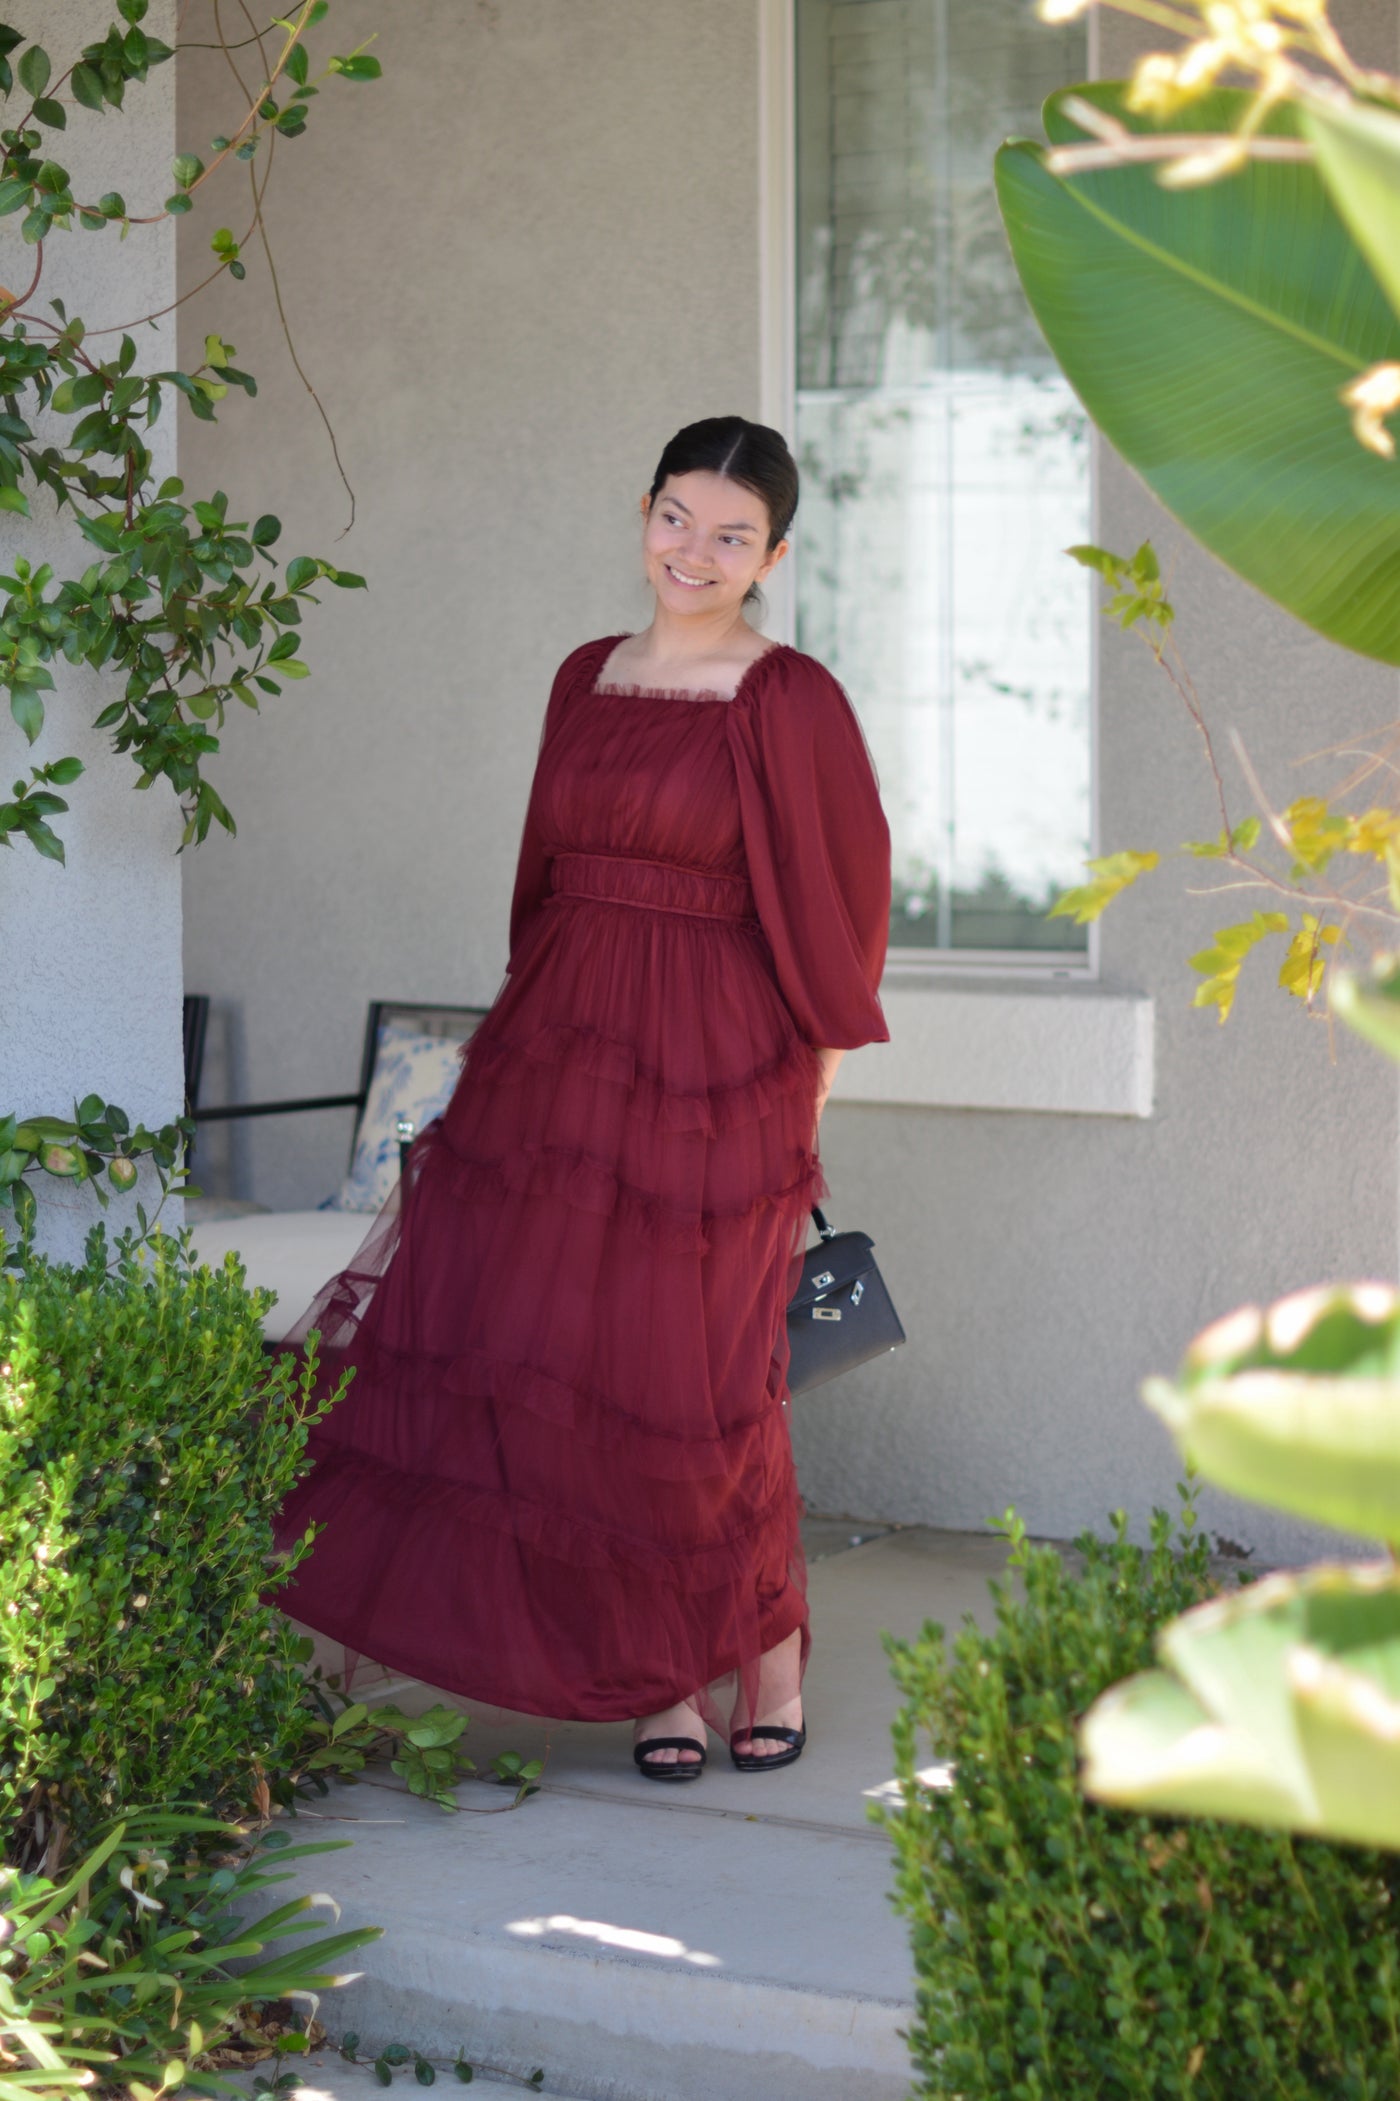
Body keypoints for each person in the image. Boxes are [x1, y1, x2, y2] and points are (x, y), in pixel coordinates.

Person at [269, 415, 892, 1781]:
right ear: (644, 513)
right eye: (678, 516)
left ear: (774, 554)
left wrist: (806, 1113)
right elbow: (543, 881)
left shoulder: (790, 699)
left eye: (733, 533)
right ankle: (660, 1671)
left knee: (708, 1375)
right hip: (566, 1048)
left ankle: (767, 1645)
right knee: (581, 1367)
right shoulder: (581, 676)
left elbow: (844, 927)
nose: (697, 550)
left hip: (723, 1069)